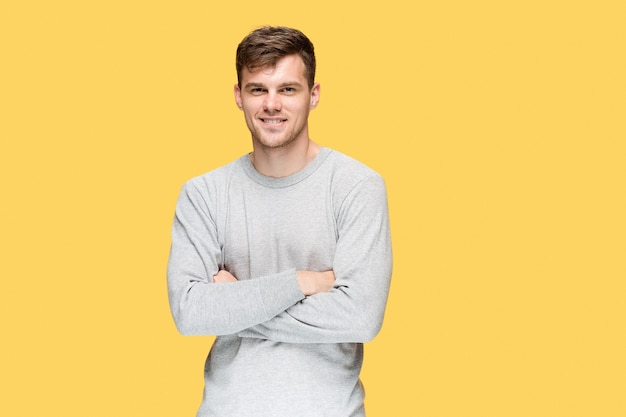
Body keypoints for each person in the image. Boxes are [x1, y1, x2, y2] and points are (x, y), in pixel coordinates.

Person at [167, 26, 392, 417]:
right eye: (258, 89)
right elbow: (191, 313)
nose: (272, 104)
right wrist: (302, 283)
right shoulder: (203, 194)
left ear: (314, 95)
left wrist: (238, 301)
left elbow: (360, 317)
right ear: (239, 96)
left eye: (288, 89)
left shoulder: (357, 187)